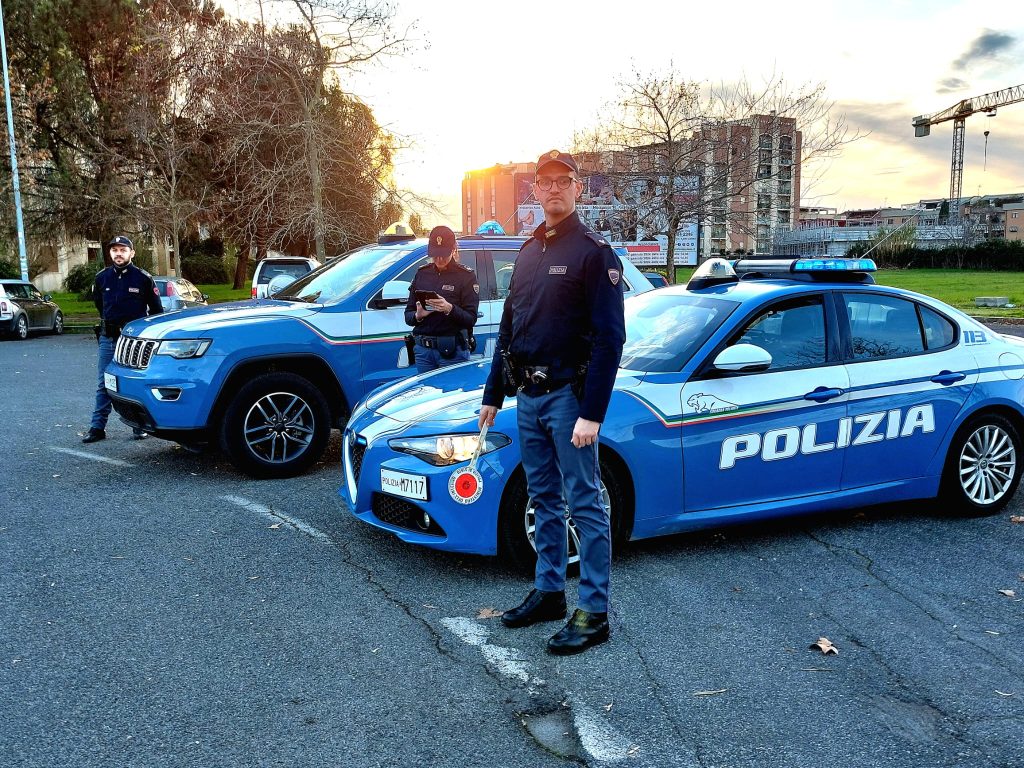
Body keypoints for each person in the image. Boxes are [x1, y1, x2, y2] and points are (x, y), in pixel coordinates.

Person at [478, 150, 626, 655]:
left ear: (578, 189)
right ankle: (548, 592)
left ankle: (594, 611)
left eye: (564, 181)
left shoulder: (593, 252)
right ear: (535, 192)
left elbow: (610, 339)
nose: (554, 189)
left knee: (584, 502)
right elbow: (508, 327)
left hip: (568, 399)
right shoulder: (527, 252)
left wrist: (593, 412)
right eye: (545, 183)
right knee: (542, 498)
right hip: (528, 396)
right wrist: (493, 394)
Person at [82, 235, 163, 443]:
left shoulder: (143, 278)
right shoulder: (102, 278)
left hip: (134, 343)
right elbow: (101, 306)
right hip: (108, 339)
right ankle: (97, 428)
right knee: (104, 383)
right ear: (110, 253)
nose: (118, 253)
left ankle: (139, 426)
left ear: (131, 253)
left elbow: (156, 312)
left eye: (123, 250)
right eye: (115, 250)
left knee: (133, 383)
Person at [404, 225, 480, 373]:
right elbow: (408, 315)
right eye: (435, 254)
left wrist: (449, 308)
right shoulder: (422, 274)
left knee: (451, 395)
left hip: (453, 352)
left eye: (443, 254)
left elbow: (471, 319)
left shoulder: (465, 276)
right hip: (424, 352)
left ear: (453, 249)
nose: (439, 259)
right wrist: (418, 316)